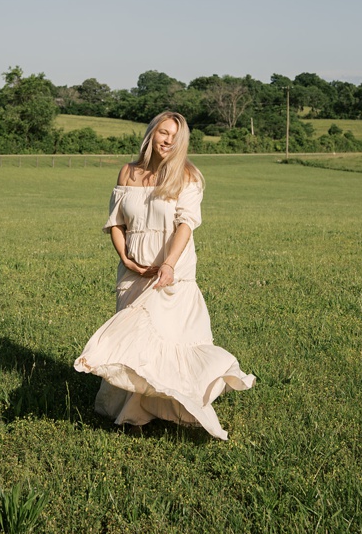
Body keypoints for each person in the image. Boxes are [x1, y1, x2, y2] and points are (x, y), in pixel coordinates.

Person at [74, 111, 254, 439]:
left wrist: (169, 264)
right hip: (133, 274)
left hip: (171, 275)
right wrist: (127, 260)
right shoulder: (128, 173)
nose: (168, 141)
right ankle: (135, 411)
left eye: (175, 136)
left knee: (173, 343)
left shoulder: (187, 176)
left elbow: (186, 224)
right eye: (163, 133)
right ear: (151, 134)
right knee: (135, 346)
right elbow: (116, 222)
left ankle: (184, 407)